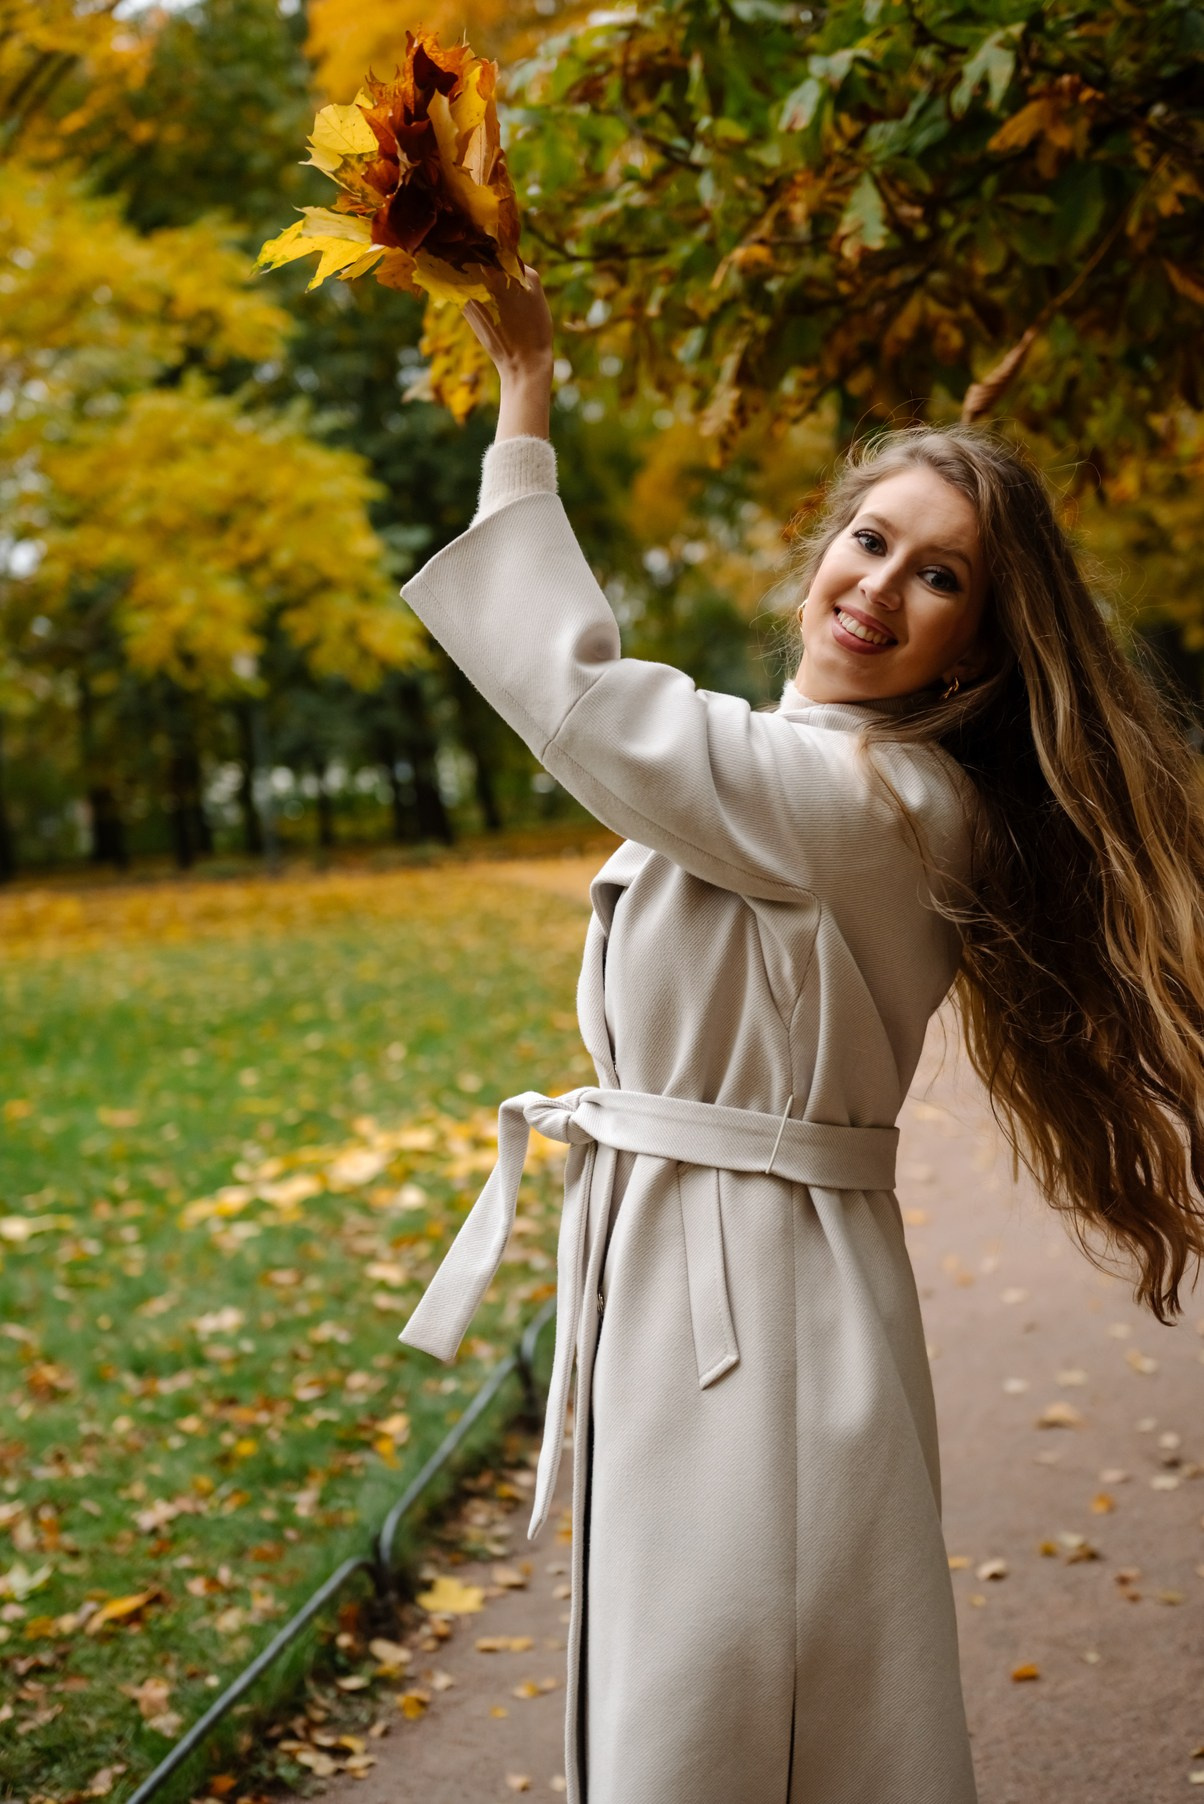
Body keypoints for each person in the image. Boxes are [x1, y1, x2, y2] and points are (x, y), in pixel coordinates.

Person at [396, 264, 1204, 1804]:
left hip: (752, 1300)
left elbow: (579, 702)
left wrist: (525, 401)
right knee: (743, 1705)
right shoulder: (798, 772)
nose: (879, 586)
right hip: (702, 1269)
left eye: (942, 578)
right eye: (872, 537)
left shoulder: (876, 802)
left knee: (730, 1714)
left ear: (977, 649)